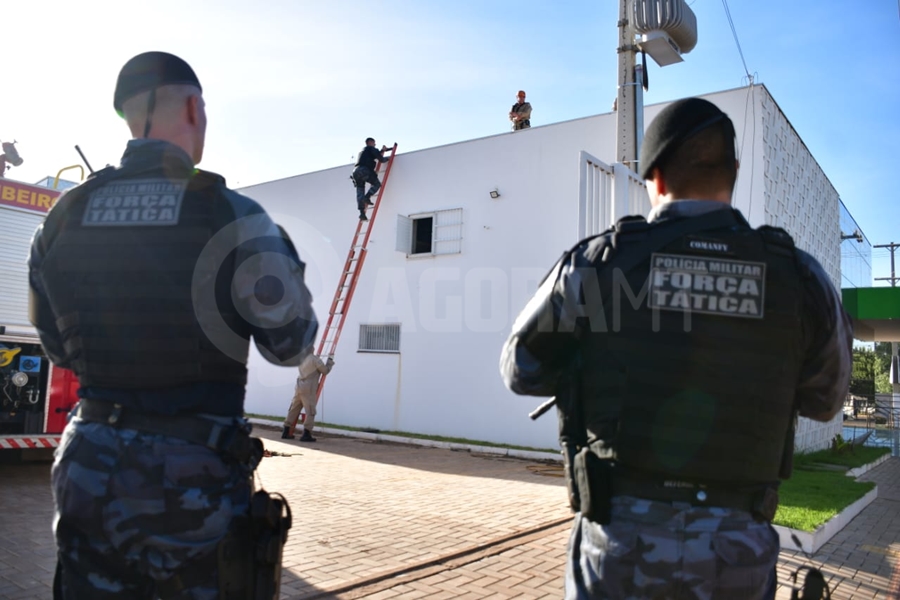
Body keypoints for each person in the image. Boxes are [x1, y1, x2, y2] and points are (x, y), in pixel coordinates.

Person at [500, 97, 853, 599]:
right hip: (738, 551)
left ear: (655, 178)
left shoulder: (598, 264)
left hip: (618, 544)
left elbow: (520, 368)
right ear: (732, 171)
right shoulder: (800, 277)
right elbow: (826, 402)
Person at [29, 51, 318, 598]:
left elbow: (57, 350)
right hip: (192, 481)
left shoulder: (63, 217)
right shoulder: (233, 216)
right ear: (193, 107)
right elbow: (291, 344)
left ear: (126, 115)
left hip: (89, 463)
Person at [282, 353, 335, 441]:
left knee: (294, 409)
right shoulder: (314, 359)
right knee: (310, 411)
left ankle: (286, 431)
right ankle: (306, 434)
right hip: (308, 388)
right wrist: (330, 361)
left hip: (299, 386)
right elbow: (325, 371)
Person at [351, 137, 389, 221]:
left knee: (360, 191)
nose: (375, 145)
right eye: (374, 143)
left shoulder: (362, 151)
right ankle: (367, 197)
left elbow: (374, 155)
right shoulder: (371, 148)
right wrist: (388, 159)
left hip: (355, 172)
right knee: (377, 184)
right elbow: (381, 159)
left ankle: (362, 213)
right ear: (370, 142)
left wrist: (382, 151)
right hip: (364, 170)